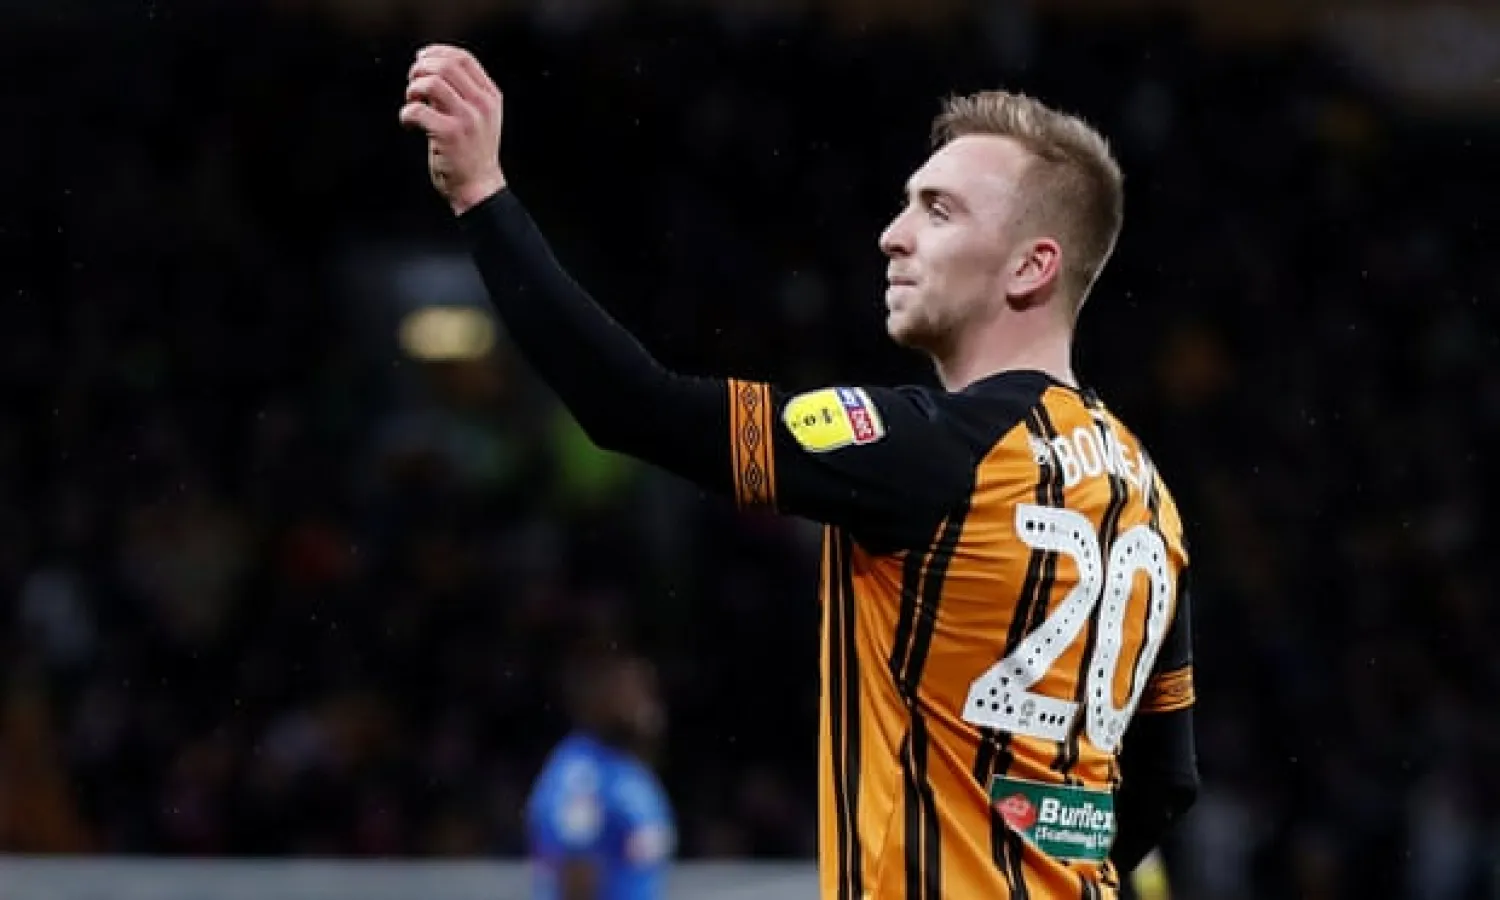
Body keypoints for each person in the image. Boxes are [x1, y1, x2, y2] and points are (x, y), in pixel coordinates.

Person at [400, 44, 1199, 899]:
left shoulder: (934, 450)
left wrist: (482, 196)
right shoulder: (1148, 497)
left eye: (939, 210)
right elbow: (1162, 784)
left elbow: (633, 405)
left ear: (1031, 266)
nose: (893, 234)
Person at [526, 647, 676, 900]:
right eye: (631, 691)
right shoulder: (582, 776)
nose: (645, 704)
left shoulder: (629, 769)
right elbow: (575, 874)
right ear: (599, 697)